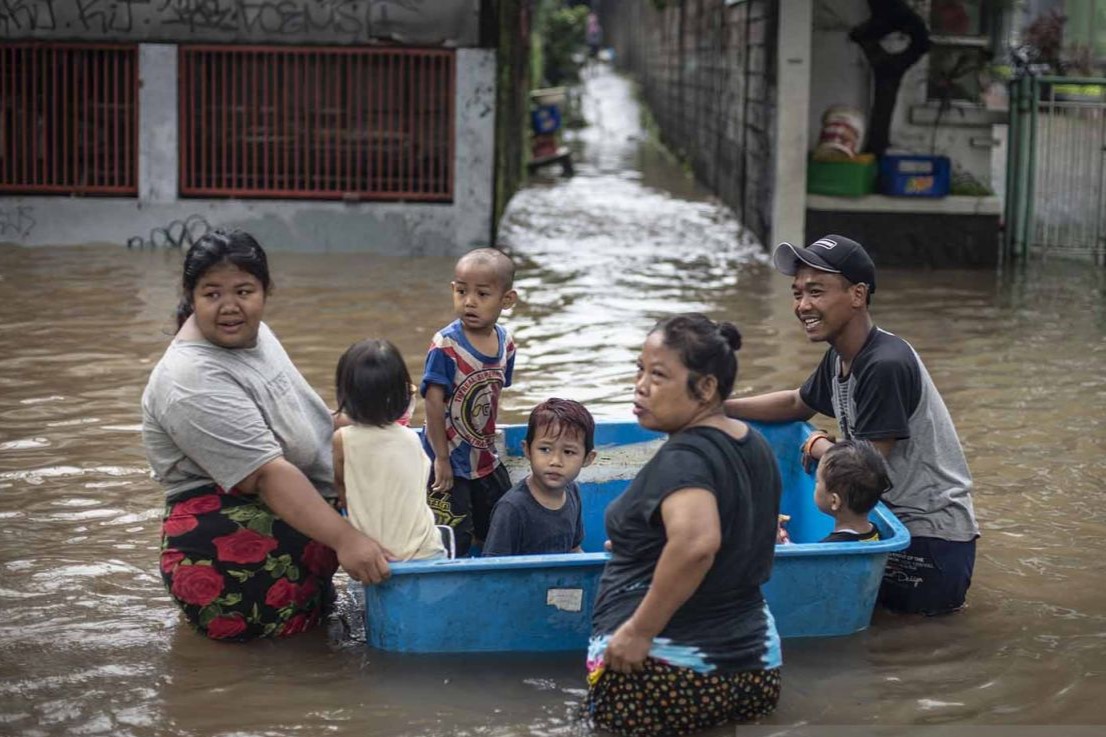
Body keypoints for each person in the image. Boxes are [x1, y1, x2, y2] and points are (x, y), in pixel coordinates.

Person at [142, 230, 391, 642]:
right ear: (190, 295)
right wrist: (347, 539)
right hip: (234, 567)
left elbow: (300, 418)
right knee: (277, 676)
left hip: (298, 537)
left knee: (318, 653)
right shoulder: (188, 378)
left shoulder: (252, 333)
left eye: (244, 290)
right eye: (212, 294)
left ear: (265, 290)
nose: (230, 307)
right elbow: (267, 474)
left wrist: (376, 432)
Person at [724, 235, 979, 615]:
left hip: (928, 537)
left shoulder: (884, 364)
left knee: (914, 650)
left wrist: (820, 447)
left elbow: (865, 468)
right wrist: (720, 407)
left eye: (816, 291)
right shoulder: (842, 356)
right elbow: (797, 403)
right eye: (797, 294)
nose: (802, 305)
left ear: (857, 295)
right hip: (890, 524)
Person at [587, 314, 782, 737]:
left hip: (670, 667)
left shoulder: (684, 457)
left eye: (658, 375)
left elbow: (697, 544)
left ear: (706, 387)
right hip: (753, 660)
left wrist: (639, 631)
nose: (640, 386)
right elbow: (729, 539)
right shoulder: (753, 443)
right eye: (639, 370)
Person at [421, 247, 518, 557]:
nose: (469, 302)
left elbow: (492, 397)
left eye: (482, 294)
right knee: (453, 537)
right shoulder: (446, 345)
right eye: (462, 291)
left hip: (484, 458)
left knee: (504, 521)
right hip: (448, 459)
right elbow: (433, 405)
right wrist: (442, 460)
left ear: (507, 300)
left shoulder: (506, 343)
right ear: (453, 290)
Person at [333, 339, 446, 561]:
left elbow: (341, 490)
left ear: (345, 394)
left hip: (377, 558)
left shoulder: (342, 441)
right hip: (428, 552)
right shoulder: (410, 440)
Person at [482, 398, 596, 557]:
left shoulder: (572, 491)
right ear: (527, 450)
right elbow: (492, 570)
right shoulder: (512, 508)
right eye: (545, 449)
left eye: (568, 452)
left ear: (587, 458)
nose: (555, 461)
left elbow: (574, 550)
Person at [814, 439, 890, 543]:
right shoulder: (875, 533)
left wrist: (786, 543)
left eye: (817, 481)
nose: (816, 485)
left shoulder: (829, 550)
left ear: (834, 501)